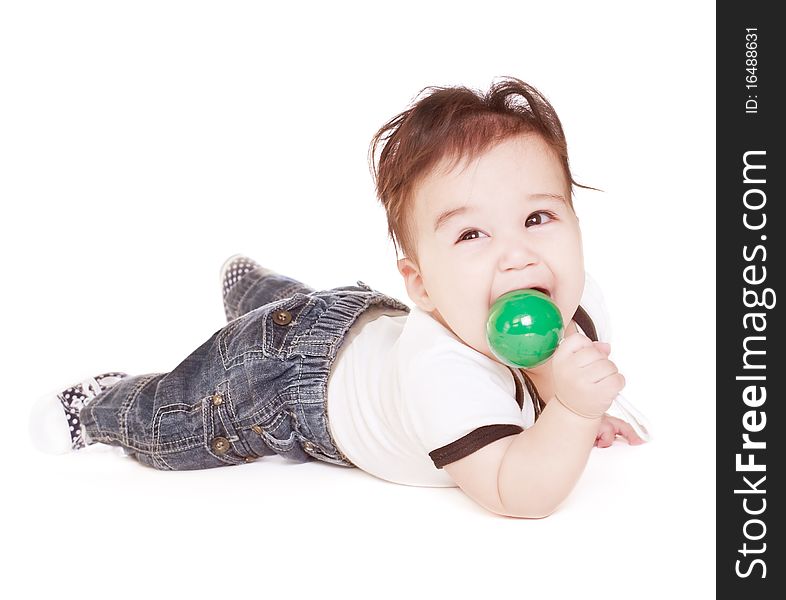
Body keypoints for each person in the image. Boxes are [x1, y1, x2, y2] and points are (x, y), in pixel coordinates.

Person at [29, 76, 649, 518]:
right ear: (424, 286)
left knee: (297, 311)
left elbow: (543, 369)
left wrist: (572, 402)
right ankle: (99, 407)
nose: (518, 254)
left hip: (354, 322)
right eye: (471, 233)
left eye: (538, 219)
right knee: (175, 419)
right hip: (284, 387)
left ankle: (256, 291)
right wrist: (570, 414)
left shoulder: (578, 299)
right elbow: (516, 492)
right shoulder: (442, 370)